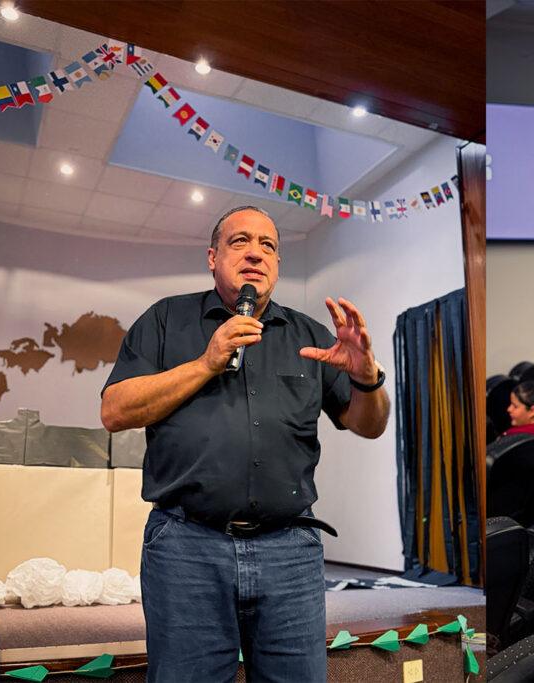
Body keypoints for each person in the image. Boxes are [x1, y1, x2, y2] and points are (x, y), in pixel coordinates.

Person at [100, 206, 390, 683]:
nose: (256, 252)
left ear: (276, 264)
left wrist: (366, 378)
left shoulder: (310, 335)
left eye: (269, 245)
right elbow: (115, 411)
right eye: (240, 241)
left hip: (291, 550)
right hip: (187, 548)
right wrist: (206, 363)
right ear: (213, 257)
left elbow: (369, 424)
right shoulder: (166, 319)